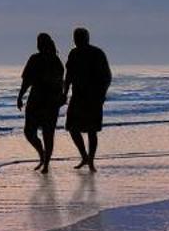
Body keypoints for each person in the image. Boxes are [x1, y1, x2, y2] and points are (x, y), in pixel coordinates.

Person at [63, 26, 113, 171]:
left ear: (86, 38)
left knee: (92, 130)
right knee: (72, 128)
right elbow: (69, 76)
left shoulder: (97, 53)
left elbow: (107, 76)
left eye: (79, 37)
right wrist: (65, 93)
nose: (77, 40)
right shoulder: (73, 53)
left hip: (93, 97)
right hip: (77, 96)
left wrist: (102, 94)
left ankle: (90, 160)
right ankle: (84, 156)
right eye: (76, 38)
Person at [17, 32, 64, 172]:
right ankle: (42, 155)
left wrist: (61, 96)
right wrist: (20, 96)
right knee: (29, 132)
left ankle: (46, 164)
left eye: (40, 43)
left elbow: (59, 82)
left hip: (49, 101)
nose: (39, 45)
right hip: (36, 100)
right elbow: (26, 81)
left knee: (48, 134)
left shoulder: (55, 61)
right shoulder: (35, 59)